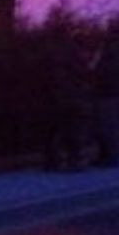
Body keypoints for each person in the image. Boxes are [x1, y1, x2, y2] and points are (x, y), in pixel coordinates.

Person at [43, 28, 94, 172]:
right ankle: (73, 161)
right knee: (74, 130)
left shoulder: (58, 55)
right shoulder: (77, 57)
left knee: (63, 130)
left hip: (64, 98)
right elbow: (85, 75)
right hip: (74, 97)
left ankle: (60, 161)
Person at [92, 28, 119, 168]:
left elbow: (100, 70)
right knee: (107, 126)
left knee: (108, 127)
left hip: (108, 93)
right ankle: (107, 156)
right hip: (110, 92)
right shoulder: (117, 52)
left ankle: (111, 158)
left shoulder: (111, 54)